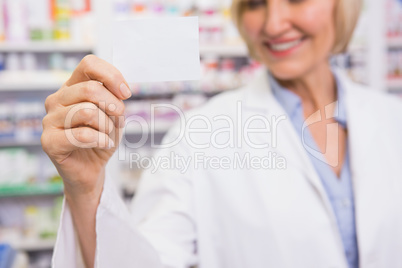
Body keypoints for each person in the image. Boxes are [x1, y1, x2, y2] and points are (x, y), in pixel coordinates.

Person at [42, 0, 402, 267]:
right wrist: (86, 190)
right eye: (256, 4)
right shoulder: (199, 134)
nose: (274, 24)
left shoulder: (393, 119)